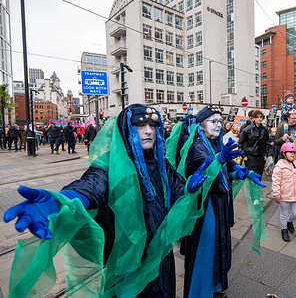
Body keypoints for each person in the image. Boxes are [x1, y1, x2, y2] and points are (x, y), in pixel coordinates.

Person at [3, 104, 210, 297]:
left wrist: (188, 188)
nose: (148, 131)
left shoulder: (161, 163)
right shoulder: (111, 165)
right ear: (126, 131)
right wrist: (61, 201)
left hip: (161, 257)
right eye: (140, 125)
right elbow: (91, 186)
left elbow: (177, 193)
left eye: (152, 125)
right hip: (129, 264)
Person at [177, 105, 264, 297]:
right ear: (201, 124)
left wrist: (243, 171)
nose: (218, 125)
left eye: (220, 121)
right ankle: (199, 293)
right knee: (205, 248)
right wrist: (218, 159)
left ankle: (214, 287)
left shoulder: (215, 142)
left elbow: (228, 164)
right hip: (204, 207)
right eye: (213, 121)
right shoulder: (196, 144)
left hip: (219, 204)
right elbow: (201, 163)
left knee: (218, 245)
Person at [274, 110, 296, 200]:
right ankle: (287, 197)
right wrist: (282, 138)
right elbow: (276, 141)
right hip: (286, 158)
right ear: (288, 118)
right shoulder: (282, 128)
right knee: (288, 179)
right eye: (293, 118)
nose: (295, 120)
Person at [238, 109, 269, 179]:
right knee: (251, 177)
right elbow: (240, 143)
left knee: (259, 176)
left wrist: (266, 154)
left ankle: (257, 190)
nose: (259, 119)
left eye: (261, 117)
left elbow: (267, 142)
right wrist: (243, 155)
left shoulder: (265, 129)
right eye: (257, 117)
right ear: (254, 118)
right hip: (250, 157)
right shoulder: (247, 129)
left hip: (260, 156)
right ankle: (251, 190)